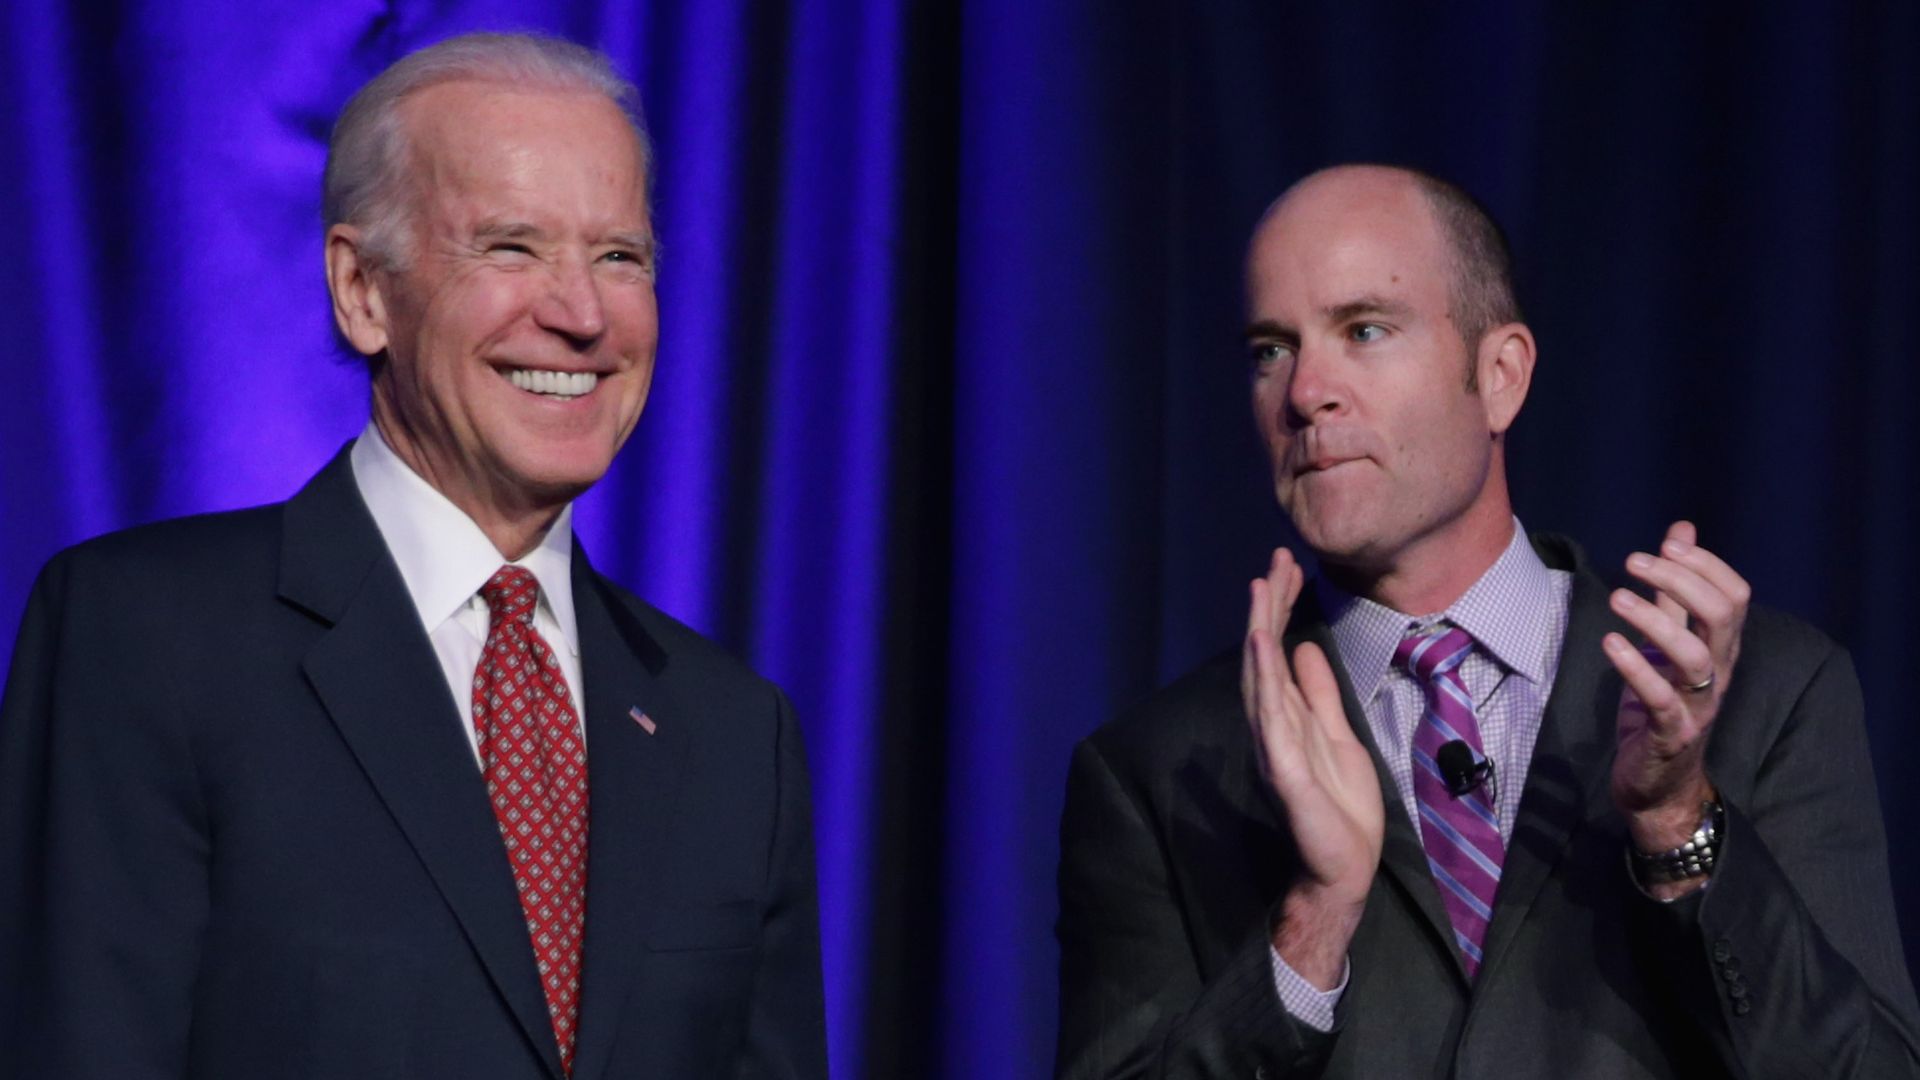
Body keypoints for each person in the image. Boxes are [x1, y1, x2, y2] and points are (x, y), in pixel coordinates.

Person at [0, 32, 825, 1079]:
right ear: (362, 290)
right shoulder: (143, 639)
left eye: (620, 256)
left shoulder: (734, 732)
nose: (581, 315)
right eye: (511, 248)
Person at [1055, 164, 1920, 1078]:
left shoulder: (1762, 693)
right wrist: (1315, 922)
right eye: (1271, 349)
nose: (1305, 391)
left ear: (1500, 375)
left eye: (1364, 330)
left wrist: (1676, 822)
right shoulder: (1158, 773)